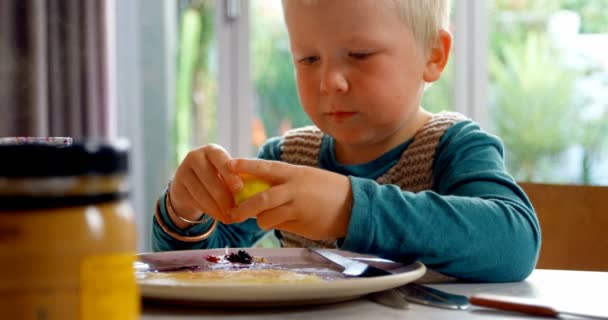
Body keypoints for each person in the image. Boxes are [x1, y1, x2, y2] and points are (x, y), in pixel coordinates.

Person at [152, 0, 540, 282]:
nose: (328, 82)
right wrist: (187, 209)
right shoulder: (289, 158)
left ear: (434, 55)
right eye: (308, 59)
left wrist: (349, 207)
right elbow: (194, 268)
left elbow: (515, 244)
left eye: (359, 54)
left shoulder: (454, 147)